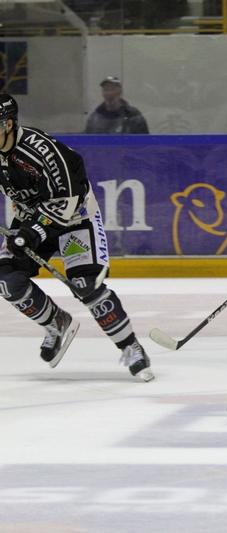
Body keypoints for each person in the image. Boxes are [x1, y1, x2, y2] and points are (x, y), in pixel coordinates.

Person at [0, 93, 153, 381]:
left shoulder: (40, 150)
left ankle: (131, 347)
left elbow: (67, 199)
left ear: (8, 124)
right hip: (30, 217)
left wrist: (33, 232)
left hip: (74, 218)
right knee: (6, 278)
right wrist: (29, 228)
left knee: (86, 285)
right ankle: (56, 322)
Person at [84, 76, 149, 134]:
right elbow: (87, 141)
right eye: (106, 89)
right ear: (102, 93)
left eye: (113, 89)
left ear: (120, 92)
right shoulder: (95, 118)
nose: (109, 93)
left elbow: (144, 141)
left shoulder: (132, 115)